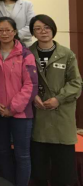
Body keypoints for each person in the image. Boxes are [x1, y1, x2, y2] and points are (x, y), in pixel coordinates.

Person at [28, 15, 82, 186]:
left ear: (53, 29)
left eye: (46, 27)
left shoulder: (67, 54)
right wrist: (32, 96)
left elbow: (76, 83)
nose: (43, 31)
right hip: (38, 118)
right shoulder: (27, 54)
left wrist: (58, 99)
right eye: (38, 28)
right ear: (33, 33)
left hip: (61, 117)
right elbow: (22, 81)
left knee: (64, 173)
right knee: (39, 172)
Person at [0, 17, 37, 186]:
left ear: (15, 32)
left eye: (8, 30)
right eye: (0, 30)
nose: (4, 33)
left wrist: (13, 107)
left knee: (22, 155)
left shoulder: (26, 54)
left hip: (21, 114)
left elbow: (31, 84)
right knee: (2, 152)